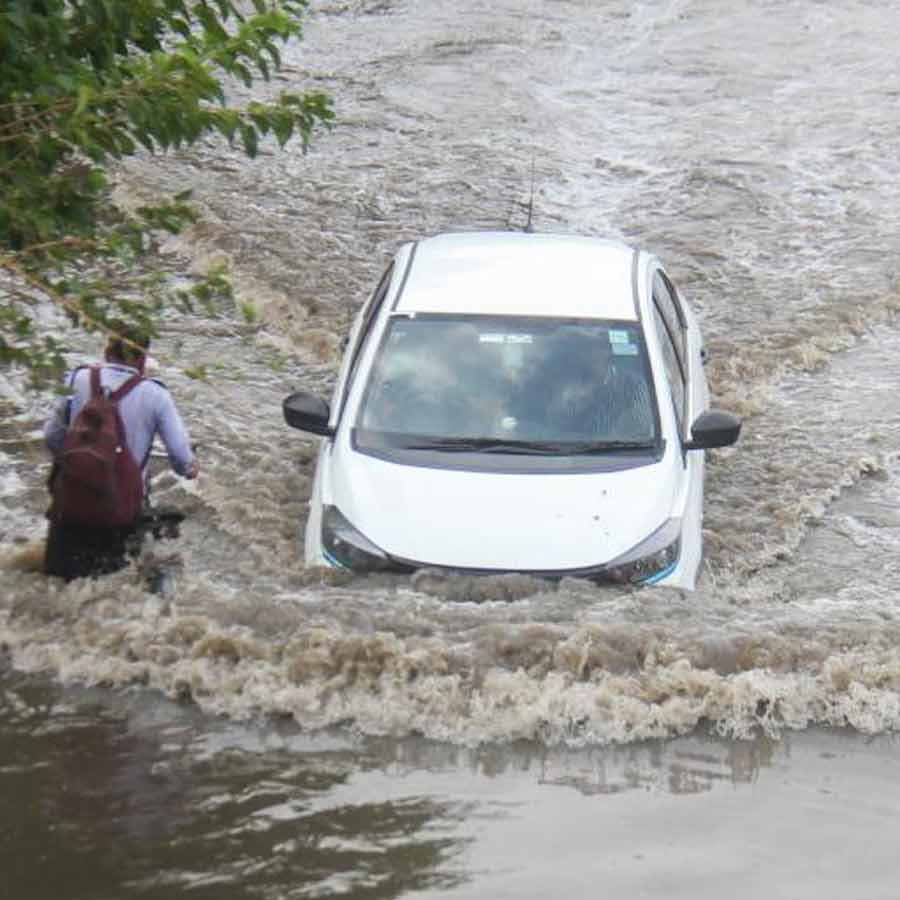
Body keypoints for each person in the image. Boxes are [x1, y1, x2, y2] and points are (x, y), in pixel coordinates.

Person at [43, 323, 198, 581]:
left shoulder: (77, 378)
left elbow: (52, 437)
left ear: (107, 350)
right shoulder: (155, 395)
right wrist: (192, 467)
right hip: (119, 515)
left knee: (54, 587)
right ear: (143, 357)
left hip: (68, 508)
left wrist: (81, 465)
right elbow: (182, 459)